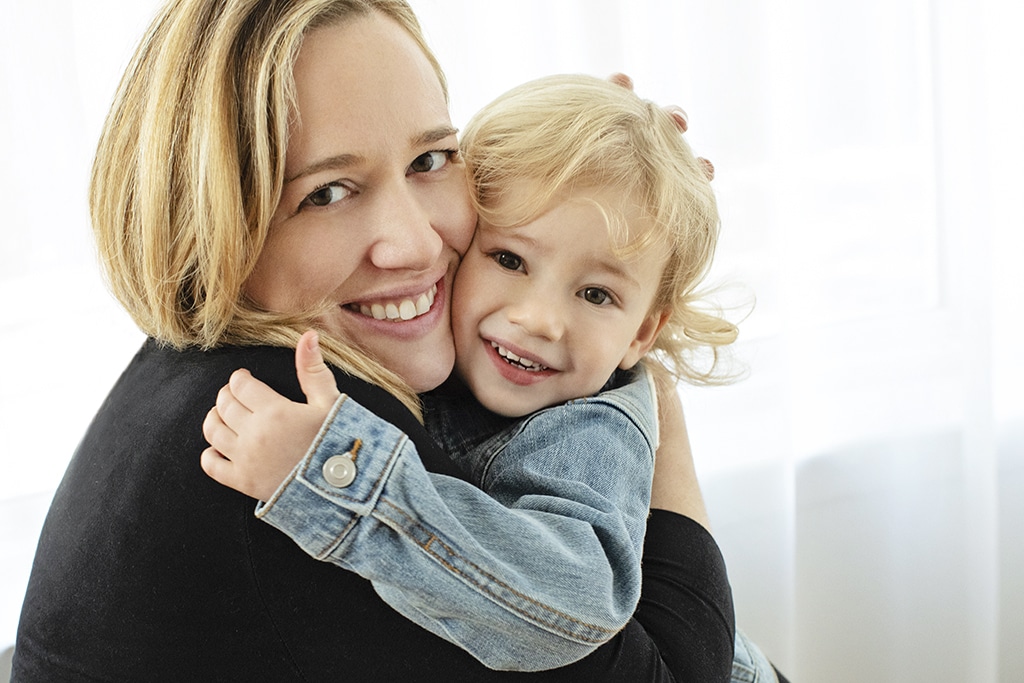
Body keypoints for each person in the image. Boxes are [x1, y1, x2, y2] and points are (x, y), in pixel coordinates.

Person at [13, 1, 739, 681]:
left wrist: (603, 171)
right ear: (213, 219)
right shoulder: (294, 421)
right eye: (326, 193)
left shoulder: (207, 361)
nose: (418, 243)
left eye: (430, 160)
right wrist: (643, 384)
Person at [201, 73, 737, 672]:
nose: (539, 320)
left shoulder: (589, 430)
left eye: (595, 294)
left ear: (642, 333)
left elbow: (576, 605)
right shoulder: (438, 348)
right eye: (509, 259)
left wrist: (333, 477)